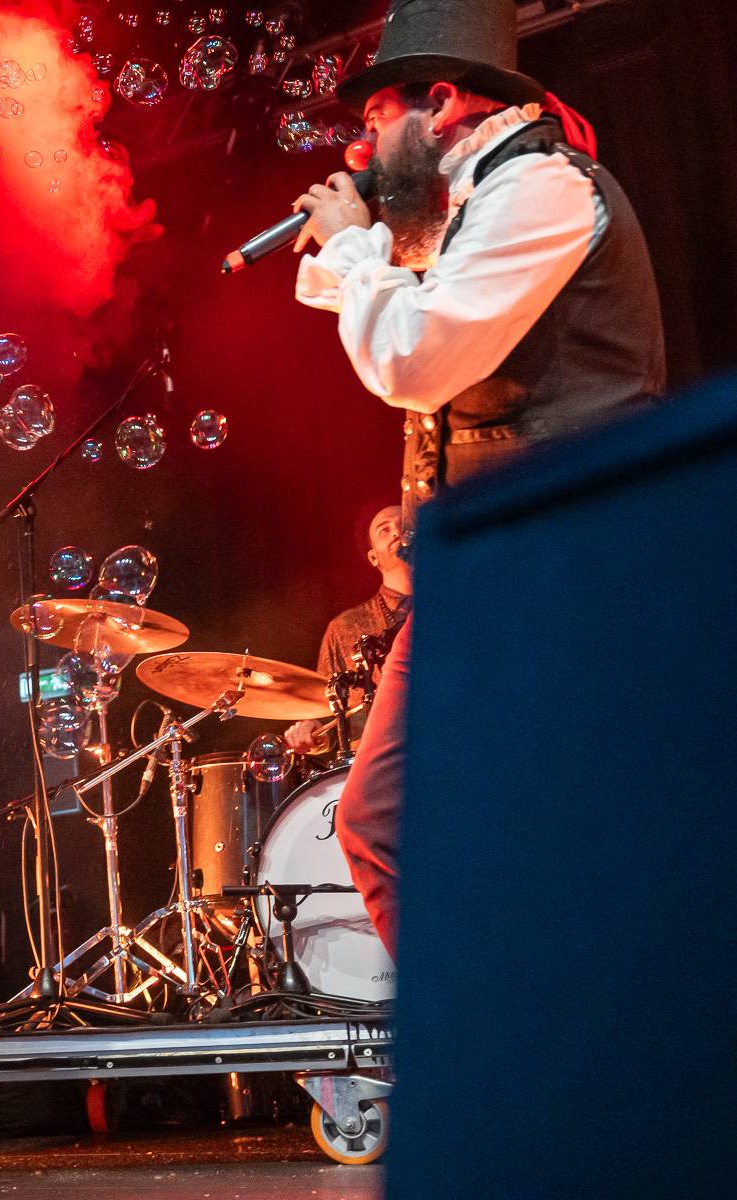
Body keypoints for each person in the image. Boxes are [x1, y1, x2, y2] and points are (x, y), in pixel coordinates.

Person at [288, 0, 664, 953]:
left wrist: (353, 245)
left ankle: (573, 1029)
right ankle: (490, 1028)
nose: (363, 148)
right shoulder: (475, 203)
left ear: (444, 103)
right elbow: (413, 291)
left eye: (377, 118)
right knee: (384, 821)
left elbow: (413, 356)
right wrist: (351, 249)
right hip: (486, 570)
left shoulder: (541, 186)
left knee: (561, 833)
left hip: (571, 552)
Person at [283, 505, 412, 756]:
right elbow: (328, 715)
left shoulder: (459, 607)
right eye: (384, 530)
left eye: (405, 524)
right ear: (373, 557)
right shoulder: (344, 628)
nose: (397, 532)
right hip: (379, 761)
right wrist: (313, 730)